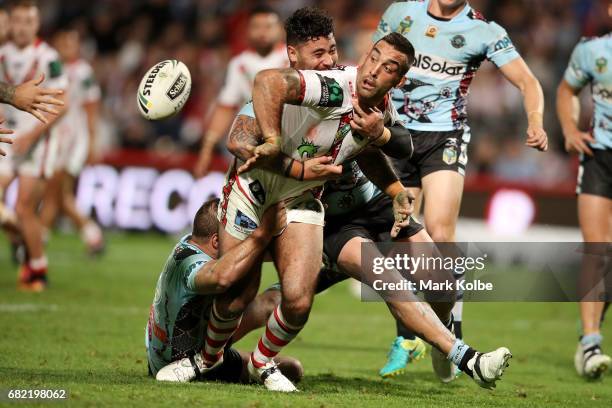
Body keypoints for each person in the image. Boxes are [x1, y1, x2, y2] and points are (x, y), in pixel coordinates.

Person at [158, 32, 418, 392]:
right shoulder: (331, 86)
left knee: (297, 301)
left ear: (398, 79)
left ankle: (262, 363)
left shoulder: (377, 108)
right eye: (373, 58)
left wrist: (393, 183)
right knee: (236, 292)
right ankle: (205, 359)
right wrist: (275, 143)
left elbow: (399, 145)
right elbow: (264, 84)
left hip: (302, 198)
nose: (374, 70)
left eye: (388, 67)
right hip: (256, 191)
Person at [374, 0, 548, 380]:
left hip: (444, 136)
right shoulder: (401, 12)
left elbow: (527, 81)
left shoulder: (484, 31)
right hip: (394, 133)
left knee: (439, 230)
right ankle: (418, 335)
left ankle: (448, 328)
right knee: (400, 237)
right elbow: (372, 67)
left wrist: (535, 120)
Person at [150, 199, 303, 385]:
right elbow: (221, 277)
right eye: (237, 235)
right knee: (259, 300)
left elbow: (258, 252)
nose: (241, 241)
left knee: (292, 368)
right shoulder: (188, 263)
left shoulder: (194, 244)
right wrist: (262, 234)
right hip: (175, 362)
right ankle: (205, 361)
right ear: (216, 241)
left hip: (200, 341)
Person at [557, 6, 612, 379]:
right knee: (598, 249)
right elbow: (566, 91)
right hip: (601, 157)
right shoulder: (592, 51)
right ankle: (590, 341)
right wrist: (570, 129)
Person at [0, 0, 68, 291]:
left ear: (37, 25)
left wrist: (31, 135)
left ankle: (38, 269)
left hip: (37, 141)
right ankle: (22, 237)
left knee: (24, 207)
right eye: (18, 21)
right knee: (14, 211)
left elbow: (61, 103)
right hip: (7, 136)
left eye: (29, 21)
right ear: (10, 23)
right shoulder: (1, 54)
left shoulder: (47, 57)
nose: (23, 27)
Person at [193, 5, 287, 177]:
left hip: (289, 143)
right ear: (247, 30)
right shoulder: (240, 64)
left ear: (280, 29)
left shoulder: (291, 59)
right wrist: (207, 150)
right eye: (256, 27)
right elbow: (226, 106)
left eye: (268, 27)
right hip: (251, 146)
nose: (262, 32)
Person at [39, 29, 104, 255]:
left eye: (72, 42)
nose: (68, 46)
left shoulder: (83, 71)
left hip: (74, 139)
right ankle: (91, 235)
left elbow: (91, 107)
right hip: (56, 137)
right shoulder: (53, 68)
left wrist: (91, 141)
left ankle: (37, 242)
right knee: (59, 194)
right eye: (64, 41)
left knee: (55, 191)